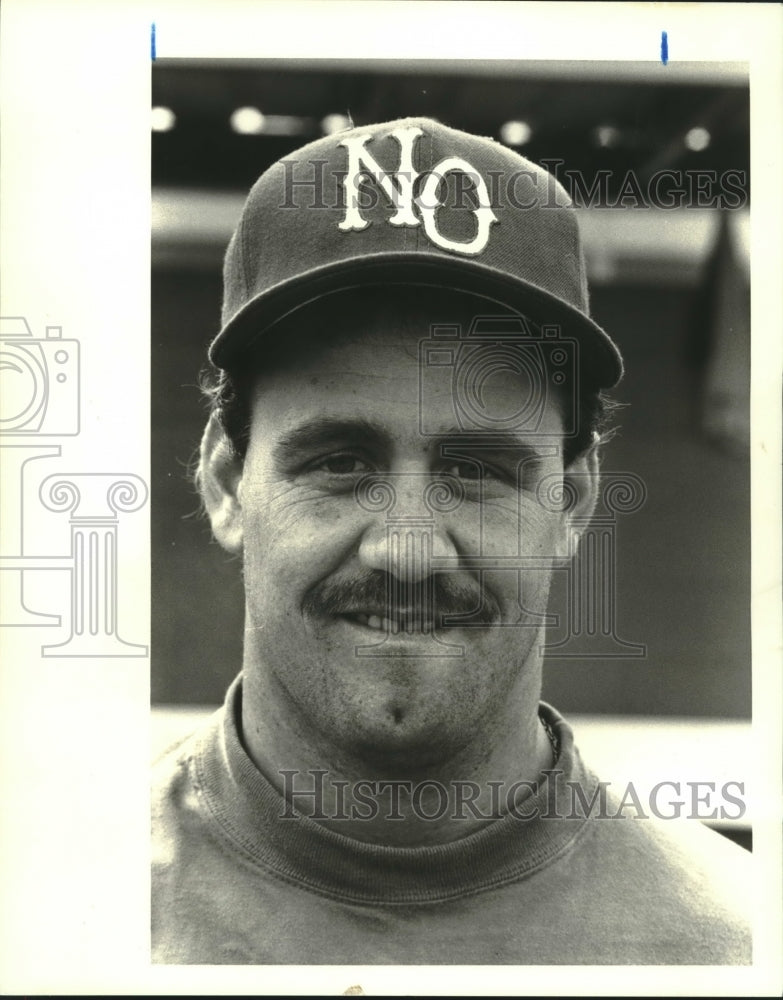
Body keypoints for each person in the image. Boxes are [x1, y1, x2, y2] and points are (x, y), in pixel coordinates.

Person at [152, 117, 751, 965]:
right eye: (338, 461)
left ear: (571, 501)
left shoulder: (734, 947)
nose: (407, 551)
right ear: (225, 483)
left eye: (475, 469)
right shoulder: (52, 913)